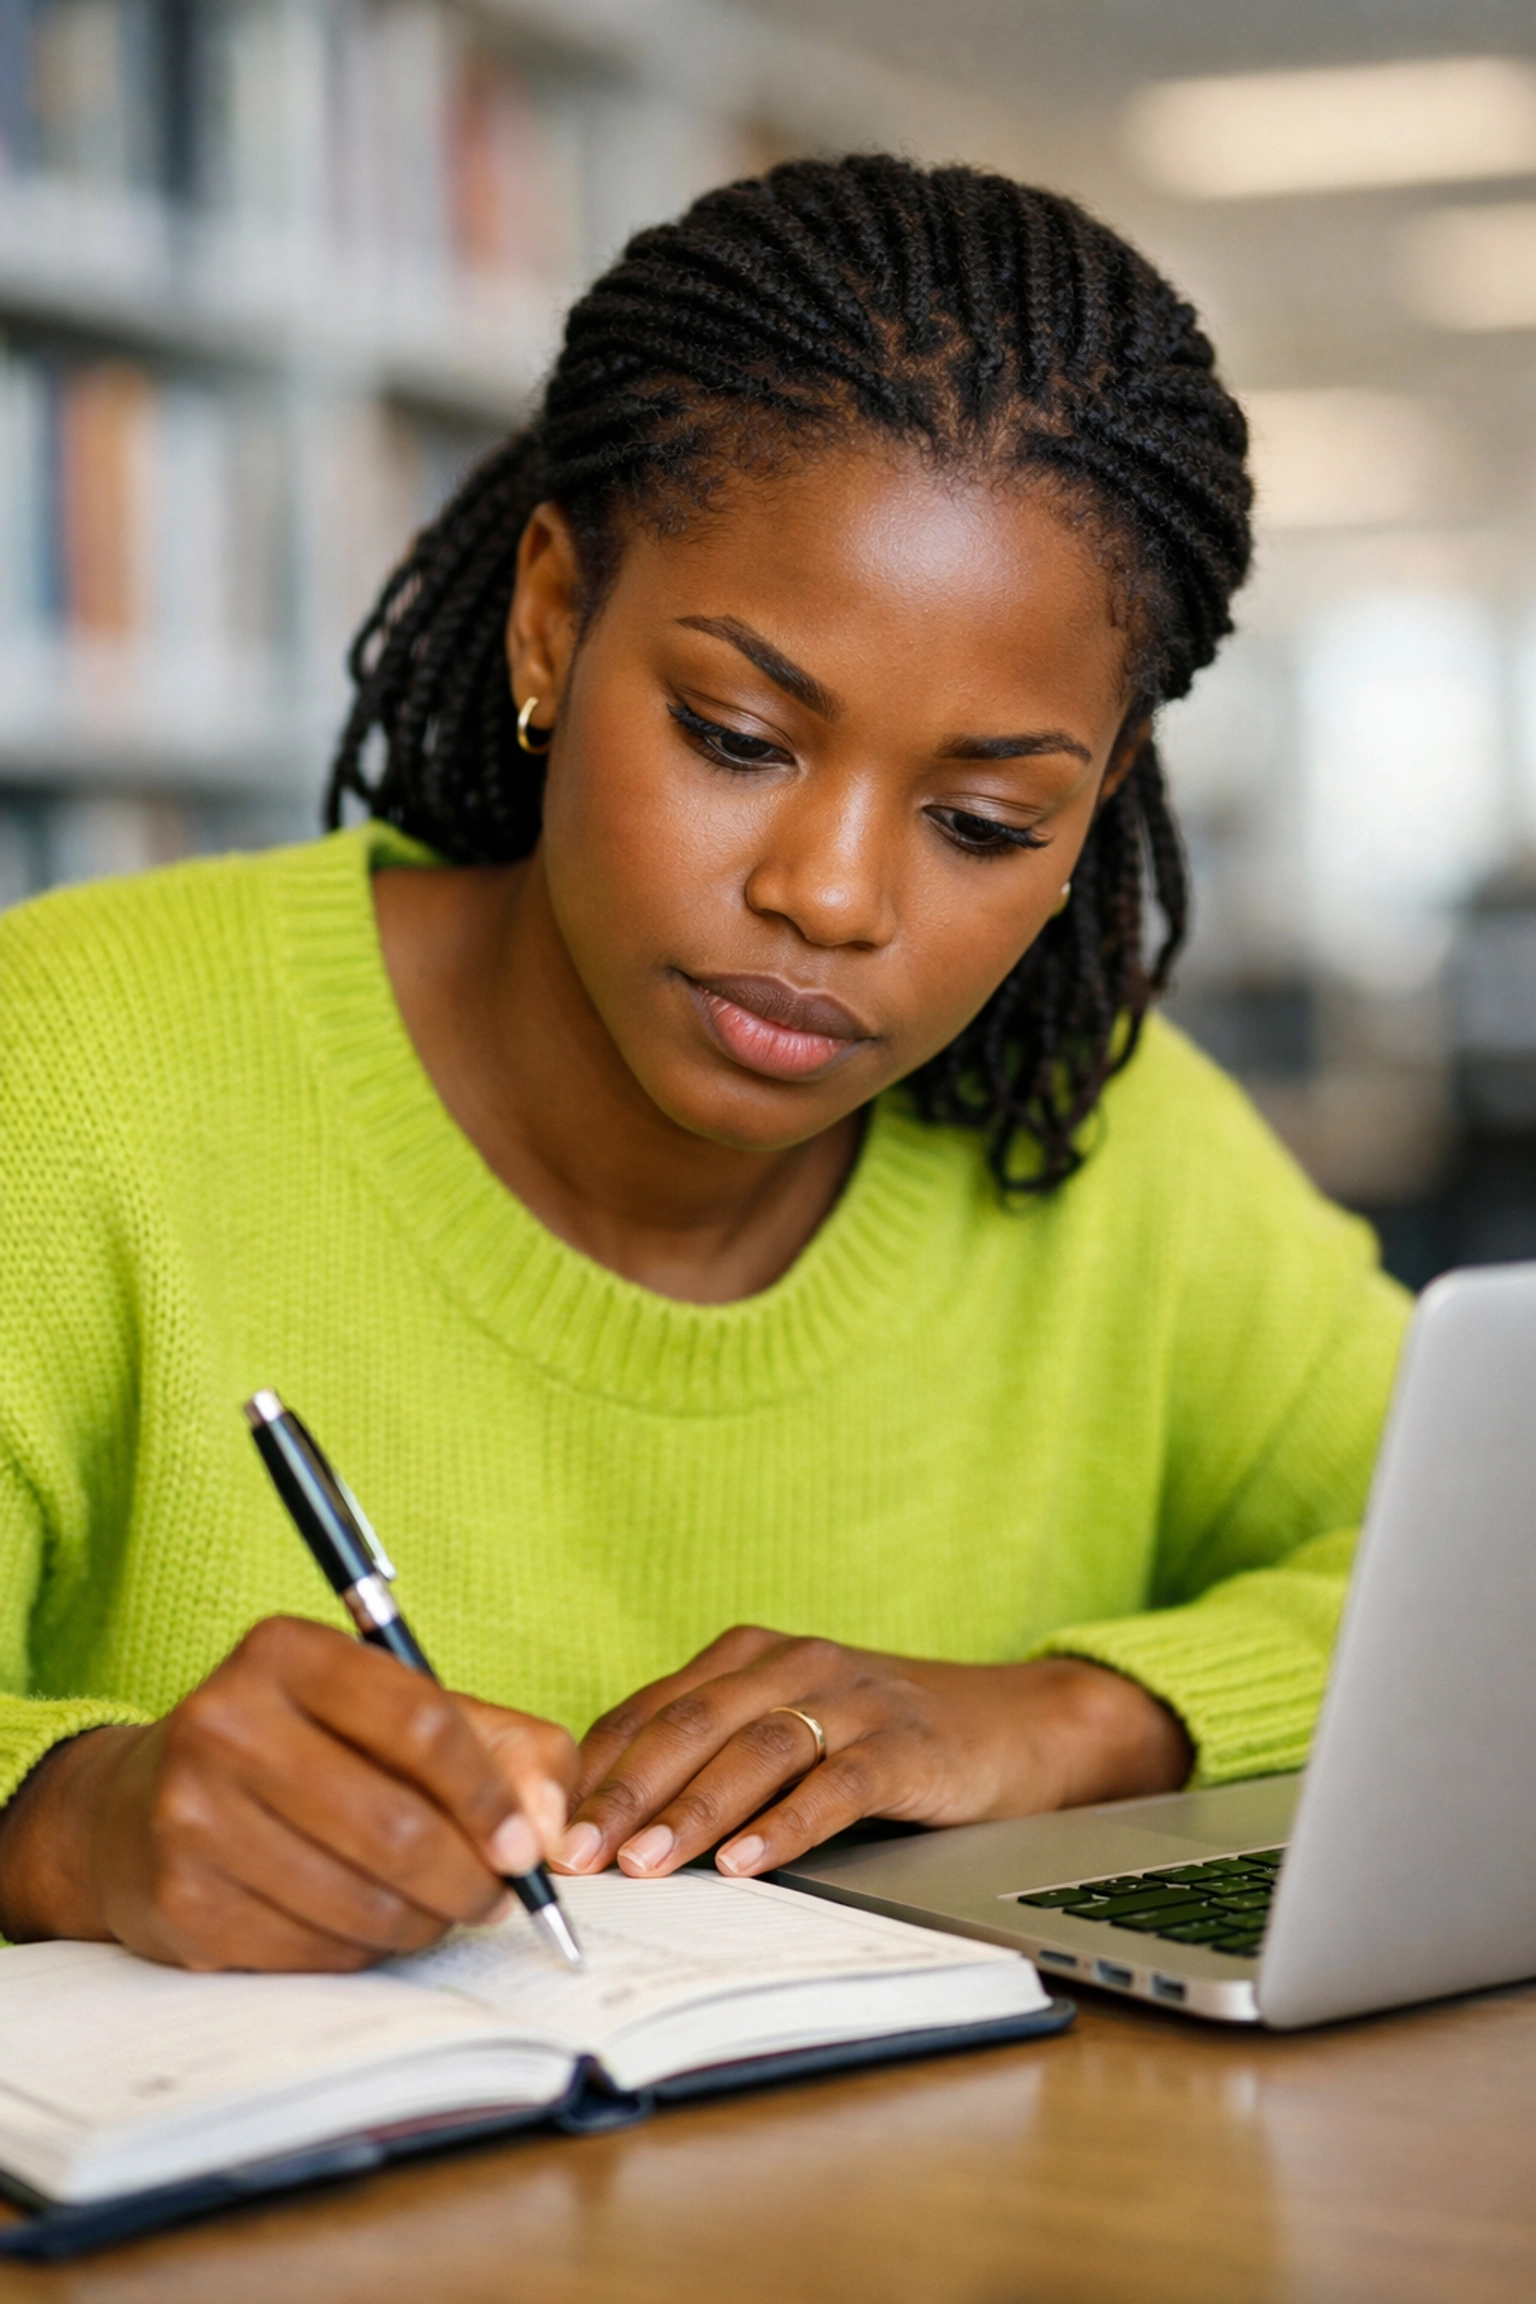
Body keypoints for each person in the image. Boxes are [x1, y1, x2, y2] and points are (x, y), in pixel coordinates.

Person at [0, 157, 1408, 1972]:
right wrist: (75, 1820)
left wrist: (1066, 1717)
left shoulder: (1115, 1155)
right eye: (737, 735)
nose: (828, 897)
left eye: (984, 821)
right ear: (551, 623)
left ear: (1095, 815)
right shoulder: (69, 1068)